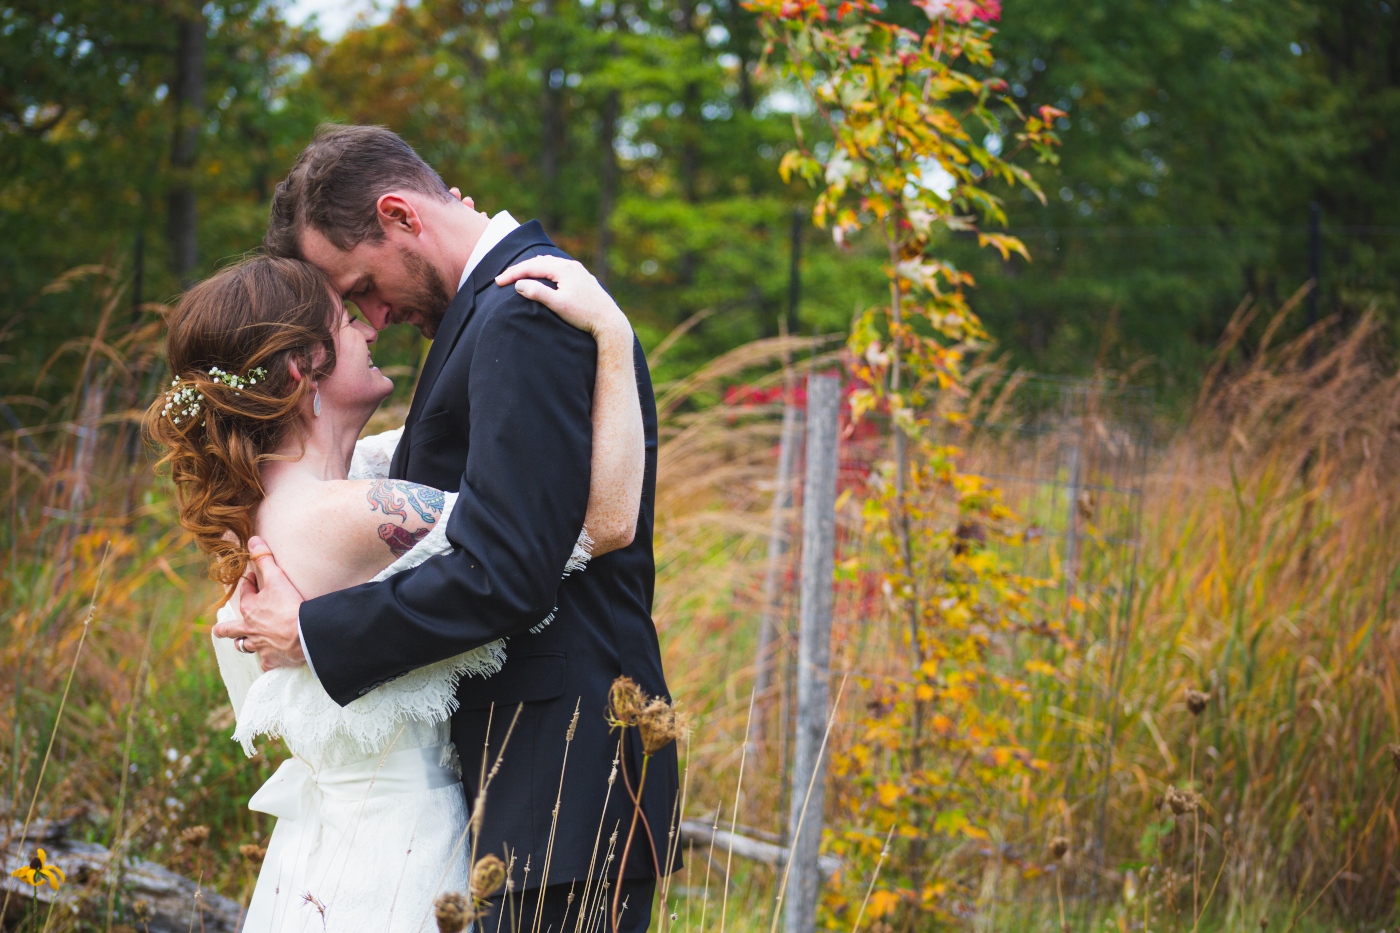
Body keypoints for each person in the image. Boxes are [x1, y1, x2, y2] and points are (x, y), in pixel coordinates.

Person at [211, 124, 679, 931]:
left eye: (361, 286)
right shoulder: (485, 314)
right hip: (517, 790)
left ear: (400, 215)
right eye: (352, 307)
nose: (373, 316)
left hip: (559, 777)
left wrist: (314, 631)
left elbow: (516, 558)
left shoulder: (522, 308)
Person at [147, 253, 641, 932]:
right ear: (302, 367)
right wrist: (614, 339)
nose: (370, 329)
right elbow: (590, 529)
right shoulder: (358, 514)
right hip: (404, 853)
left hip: (319, 856)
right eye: (347, 322)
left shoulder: (260, 511)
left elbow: (411, 450)